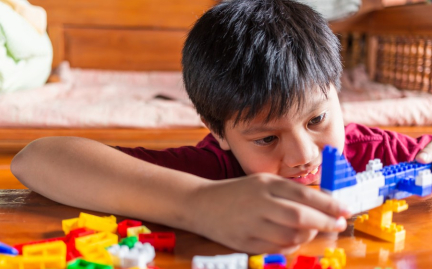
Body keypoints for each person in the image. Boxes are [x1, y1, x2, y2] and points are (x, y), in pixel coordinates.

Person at [11, 0, 432, 254]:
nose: (305, 156)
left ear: (339, 97)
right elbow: (35, 160)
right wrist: (199, 203)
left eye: (317, 119)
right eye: (267, 138)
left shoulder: (377, 150)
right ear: (220, 135)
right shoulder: (214, 170)